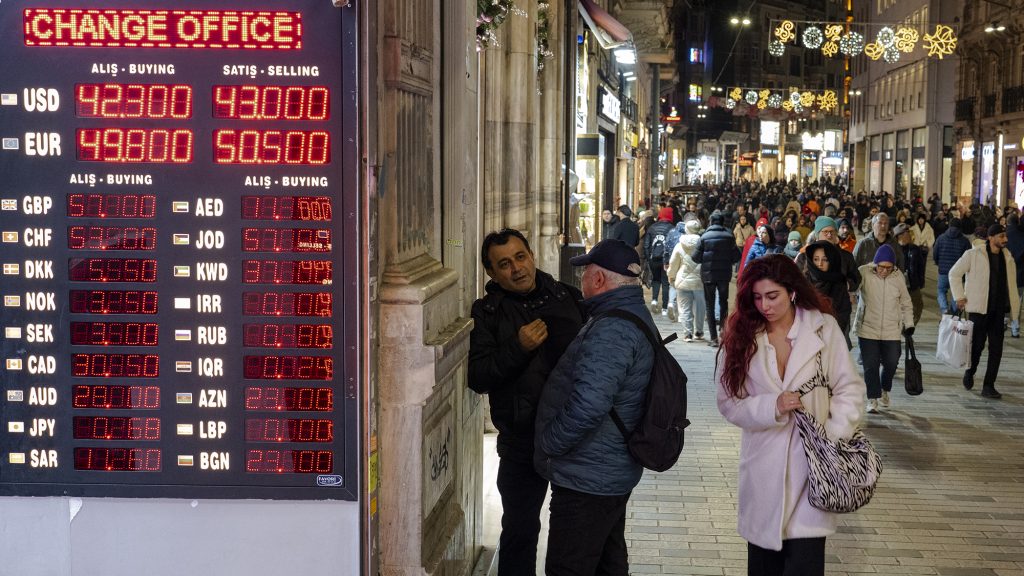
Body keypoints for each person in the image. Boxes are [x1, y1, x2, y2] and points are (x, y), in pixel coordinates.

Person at [716, 255, 864, 576]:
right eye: (757, 297)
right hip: (763, 469)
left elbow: (849, 389)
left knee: (805, 564)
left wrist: (831, 437)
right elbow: (728, 402)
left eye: (773, 296)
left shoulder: (823, 329)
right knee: (763, 567)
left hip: (813, 472)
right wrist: (772, 407)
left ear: (792, 291)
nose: (764, 306)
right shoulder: (742, 335)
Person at [534, 239, 655, 576]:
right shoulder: (628, 314)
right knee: (607, 564)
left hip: (588, 477)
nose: (581, 279)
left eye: (585, 272)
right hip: (604, 470)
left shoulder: (613, 329)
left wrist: (550, 442)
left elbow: (588, 405)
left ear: (598, 279)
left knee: (568, 567)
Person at [468, 229, 585, 576]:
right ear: (491, 273)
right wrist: (517, 348)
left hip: (573, 438)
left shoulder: (569, 298)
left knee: (577, 536)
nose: (517, 268)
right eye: (504, 264)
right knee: (519, 531)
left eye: (520, 257)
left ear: (532, 255)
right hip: (521, 443)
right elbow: (478, 377)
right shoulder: (487, 313)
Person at [949, 224, 1020, 399]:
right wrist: (959, 296)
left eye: (1005, 236)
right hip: (979, 310)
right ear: (991, 237)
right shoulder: (973, 254)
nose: (1005, 239)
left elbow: (1011, 285)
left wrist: (1014, 309)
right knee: (977, 347)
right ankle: (970, 371)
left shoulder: (1008, 257)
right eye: (1001, 236)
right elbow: (954, 273)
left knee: (996, 349)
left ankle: (989, 385)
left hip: (999, 311)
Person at [856, 244, 914, 413]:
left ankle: (884, 389)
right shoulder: (864, 272)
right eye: (881, 267)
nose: (884, 271)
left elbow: (906, 302)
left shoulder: (898, 277)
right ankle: (872, 398)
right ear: (875, 264)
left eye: (888, 268)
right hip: (868, 327)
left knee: (892, 362)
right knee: (870, 365)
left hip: (891, 329)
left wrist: (909, 324)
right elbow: (852, 287)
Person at [693, 210, 740, 347]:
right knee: (723, 303)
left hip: (708, 275)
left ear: (711, 222)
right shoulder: (729, 237)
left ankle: (713, 337)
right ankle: (723, 333)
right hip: (724, 274)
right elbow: (736, 256)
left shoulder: (704, 237)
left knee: (710, 304)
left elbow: (695, 257)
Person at [803, 240, 854, 347]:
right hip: (806, 339)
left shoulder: (839, 283)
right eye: (816, 259)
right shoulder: (803, 282)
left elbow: (843, 313)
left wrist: (827, 333)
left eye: (825, 259)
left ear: (832, 261)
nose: (820, 264)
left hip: (831, 339)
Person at [668, 219, 706, 341]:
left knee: (684, 308)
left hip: (682, 281)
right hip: (700, 281)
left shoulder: (679, 245)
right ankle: (699, 331)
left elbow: (673, 263)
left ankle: (687, 333)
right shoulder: (704, 244)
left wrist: (671, 276)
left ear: (686, 230)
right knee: (700, 307)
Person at [932, 218, 972, 315]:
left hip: (943, 271)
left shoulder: (941, 238)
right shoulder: (964, 241)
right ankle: (954, 312)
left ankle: (945, 309)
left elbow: (935, 253)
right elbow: (968, 257)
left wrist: (938, 263)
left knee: (941, 290)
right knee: (956, 292)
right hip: (958, 273)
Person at [643, 207, 675, 315]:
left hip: (654, 259)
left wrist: (649, 258)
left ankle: (654, 300)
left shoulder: (652, 227)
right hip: (666, 260)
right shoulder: (672, 228)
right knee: (665, 282)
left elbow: (646, 245)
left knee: (656, 280)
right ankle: (664, 308)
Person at [893, 223, 926, 325]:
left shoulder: (915, 249)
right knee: (897, 309)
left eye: (908, 232)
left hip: (913, 285)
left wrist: (921, 281)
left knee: (917, 307)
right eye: (906, 233)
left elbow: (921, 266)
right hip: (897, 286)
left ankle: (908, 328)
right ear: (899, 236)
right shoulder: (893, 249)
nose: (909, 235)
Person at [1006, 212, 1024, 338]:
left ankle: (1004, 320)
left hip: (1006, 274)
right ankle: (1015, 327)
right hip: (1020, 274)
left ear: (1007, 222)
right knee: (1018, 300)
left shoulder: (1003, 235)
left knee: (1005, 298)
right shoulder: (1022, 236)